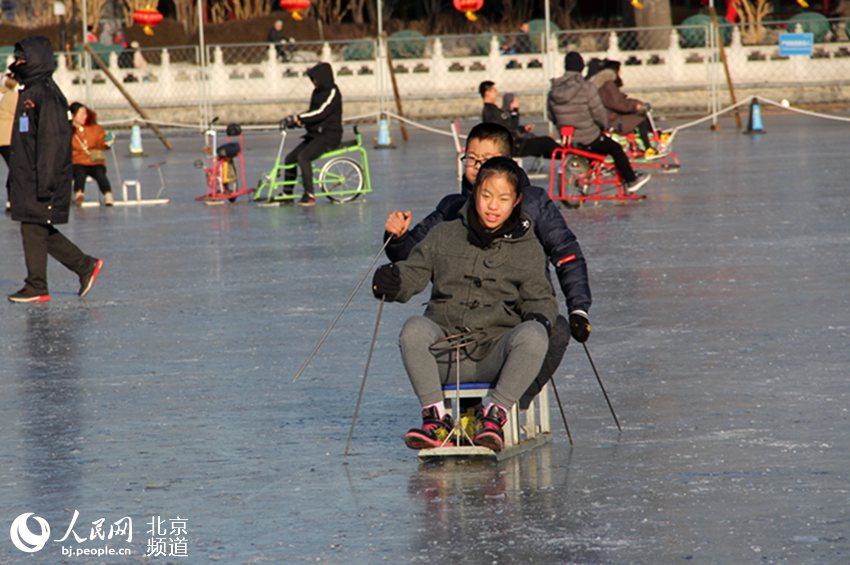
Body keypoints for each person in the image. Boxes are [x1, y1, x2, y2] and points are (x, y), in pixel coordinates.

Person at [383, 122, 591, 410]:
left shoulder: (533, 202)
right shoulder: (452, 209)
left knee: (554, 331)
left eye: (485, 160)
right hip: (463, 321)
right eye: (471, 158)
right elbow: (415, 258)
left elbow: (566, 253)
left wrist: (578, 307)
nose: (474, 165)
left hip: (523, 313)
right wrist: (397, 239)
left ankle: (510, 404)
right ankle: (462, 413)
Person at [373, 157, 558, 452]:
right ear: (474, 193)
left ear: (516, 201)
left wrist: (539, 318)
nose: (492, 206)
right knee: (414, 329)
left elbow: (542, 299)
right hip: (445, 356)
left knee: (535, 335)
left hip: (495, 358)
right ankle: (435, 419)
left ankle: (494, 417)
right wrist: (394, 281)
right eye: (486, 196)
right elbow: (414, 273)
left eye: (502, 198)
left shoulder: (528, 246)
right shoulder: (444, 235)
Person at [6, 36, 103, 303]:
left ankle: (38, 285)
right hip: (28, 176)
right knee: (34, 228)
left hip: (42, 177)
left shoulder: (46, 94)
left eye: (22, 58)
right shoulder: (31, 91)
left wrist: (46, 183)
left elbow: (51, 143)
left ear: (36, 59)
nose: (18, 62)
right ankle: (83, 266)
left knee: (34, 227)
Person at [548, 51, 650, 193]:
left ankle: (586, 173)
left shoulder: (554, 89)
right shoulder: (586, 87)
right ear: (581, 67)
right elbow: (598, 113)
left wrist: (562, 127)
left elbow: (551, 115)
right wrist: (603, 126)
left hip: (568, 138)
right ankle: (631, 179)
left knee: (595, 148)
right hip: (588, 137)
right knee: (615, 149)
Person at [280, 62, 342, 207]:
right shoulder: (317, 92)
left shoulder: (333, 92)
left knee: (303, 158)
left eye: (315, 79)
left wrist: (300, 118)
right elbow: (311, 112)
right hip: (316, 135)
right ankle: (287, 194)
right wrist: (297, 122)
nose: (313, 82)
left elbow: (321, 112)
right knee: (290, 158)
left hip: (329, 135)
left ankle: (309, 194)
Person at [588, 59, 655, 155]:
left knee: (637, 116)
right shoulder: (609, 85)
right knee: (640, 118)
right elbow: (619, 104)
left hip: (608, 116)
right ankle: (648, 146)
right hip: (613, 120)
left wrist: (635, 103)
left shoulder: (601, 85)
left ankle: (646, 141)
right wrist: (636, 106)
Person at [479, 80, 559, 160]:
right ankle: (566, 156)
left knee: (544, 145)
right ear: (487, 93)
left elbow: (509, 126)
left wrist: (523, 129)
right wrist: (515, 111)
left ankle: (565, 158)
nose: (496, 93)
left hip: (510, 143)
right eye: (494, 91)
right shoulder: (492, 112)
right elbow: (510, 127)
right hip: (511, 146)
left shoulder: (491, 110)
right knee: (545, 142)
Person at [70, 102, 115, 207]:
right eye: (81, 114)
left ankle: (108, 194)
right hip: (78, 161)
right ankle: (79, 193)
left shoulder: (94, 128)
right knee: (79, 173)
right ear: (73, 116)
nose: (84, 117)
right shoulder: (69, 130)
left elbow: (100, 142)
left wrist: (107, 142)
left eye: (85, 114)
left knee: (100, 174)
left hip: (95, 160)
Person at [1, 70, 18, 212]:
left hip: (4, 137)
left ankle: (11, 199)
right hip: (7, 137)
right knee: (16, 167)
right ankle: (11, 198)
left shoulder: (3, 94)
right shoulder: (13, 95)